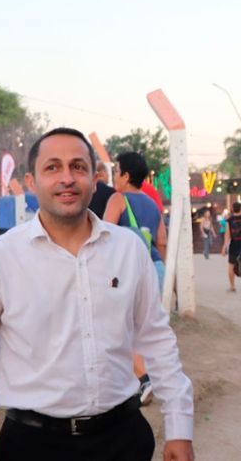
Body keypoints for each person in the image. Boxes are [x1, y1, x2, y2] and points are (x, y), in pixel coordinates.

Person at [0, 128, 193, 461]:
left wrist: (180, 426)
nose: (67, 178)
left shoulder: (128, 250)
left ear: (94, 180)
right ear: (31, 181)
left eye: (78, 167)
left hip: (123, 438)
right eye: (52, 167)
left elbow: (156, 339)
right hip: (33, 445)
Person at [103, 152, 169, 406]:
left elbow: (105, 236)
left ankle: (143, 379)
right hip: (155, 265)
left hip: (126, 269)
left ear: (126, 175)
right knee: (145, 327)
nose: (115, 176)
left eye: (117, 171)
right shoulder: (153, 204)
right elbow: (161, 240)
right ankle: (145, 379)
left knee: (120, 327)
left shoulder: (118, 199)